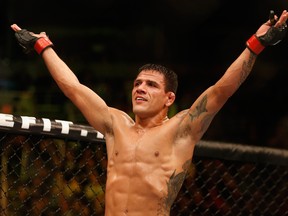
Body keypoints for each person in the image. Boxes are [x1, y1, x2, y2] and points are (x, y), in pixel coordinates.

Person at [11, 9, 288, 216]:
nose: (140, 89)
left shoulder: (181, 129)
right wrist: (42, 45)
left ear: (170, 98)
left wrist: (257, 44)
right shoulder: (115, 123)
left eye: (151, 85)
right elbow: (73, 87)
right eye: (137, 83)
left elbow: (220, 91)